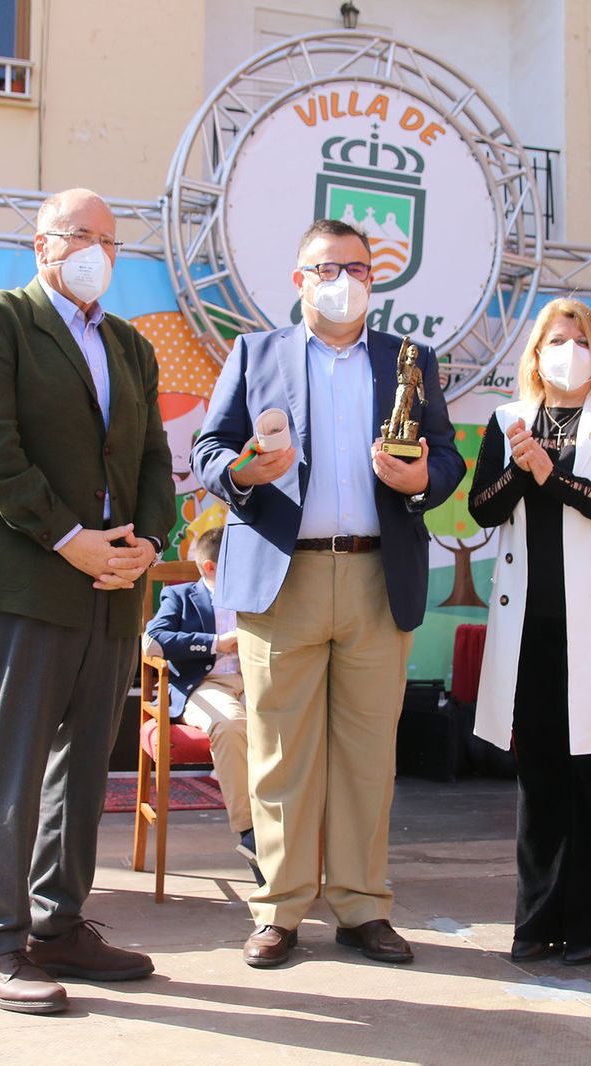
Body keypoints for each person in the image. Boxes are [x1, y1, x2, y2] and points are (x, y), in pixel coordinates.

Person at [191, 218, 463, 969]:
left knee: (369, 755)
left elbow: (446, 459)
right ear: (297, 279)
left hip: (379, 574)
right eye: (325, 268)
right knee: (280, 752)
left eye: (357, 267)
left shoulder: (410, 361)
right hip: (285, 574)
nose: (342, 280)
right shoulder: (256, 354)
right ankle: (277, 910)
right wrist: (244, 470)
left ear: (374, 279)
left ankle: (360, 907)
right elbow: (208, 451)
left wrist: (423, 480)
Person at [0, 188, 175, 1015]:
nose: (96, 252)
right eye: (81, 236)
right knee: (13, 764)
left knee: (84, 766)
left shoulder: (130, 346)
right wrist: (68, 536)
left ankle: (60, 923)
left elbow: (153, 456)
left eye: (110, 241)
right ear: (41, 246)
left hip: (113, 585)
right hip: (24, 579)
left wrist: (148, 539)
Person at [467, 297, 591, 966]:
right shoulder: (508, 421)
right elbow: (481, 505)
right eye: (555, 340)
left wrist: (559, 477)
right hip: (533, 627)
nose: (567, 352)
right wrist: (523, 471)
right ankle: (535, 922)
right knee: (541, 778)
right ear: (536, 351)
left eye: (579, 341)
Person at [143, 524, 260, 884]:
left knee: (302, 723)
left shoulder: (258, 593)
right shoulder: (180, 596)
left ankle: (292, 838)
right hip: (207, 685)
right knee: (230, 725)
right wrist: (215, 643)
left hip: (259, 682)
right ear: (210, 568)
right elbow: (154, 640)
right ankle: (249, 833)